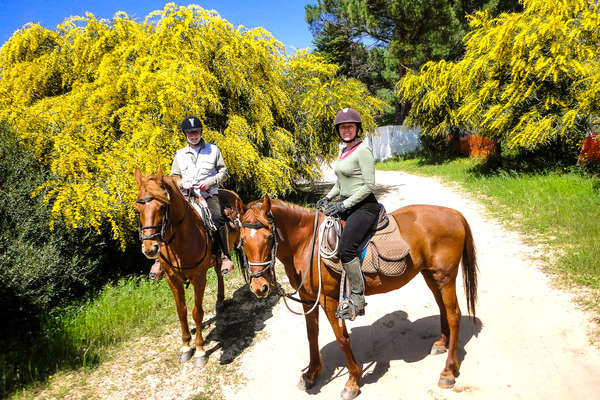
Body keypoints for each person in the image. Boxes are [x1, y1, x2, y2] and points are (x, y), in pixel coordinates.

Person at [150, 116, 234, 277]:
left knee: (217, 217)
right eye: (190, 133)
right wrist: (182, 184)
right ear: (185, 135)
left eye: (196, 132)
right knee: (164, 218)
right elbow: (174, 177)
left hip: (207, 193)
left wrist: (210, 182)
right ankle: (159, 260)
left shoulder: (214, 150)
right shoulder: (179, 154)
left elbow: (223, 172)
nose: (194, 135)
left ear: (201, 132)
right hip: (186, 196)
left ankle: (225, 256)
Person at [316, 107, 378, 320]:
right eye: (343, 127)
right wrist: (328, 197)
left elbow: (369, 185)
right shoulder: (344, 151)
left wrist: (343, 206)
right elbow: (341, 182)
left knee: (346, 249)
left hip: (365, 207)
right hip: (346, 204)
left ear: (357, 128)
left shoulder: (363, 150)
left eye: (350, 126)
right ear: (339, 131)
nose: (347, 130)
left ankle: (358, 299)